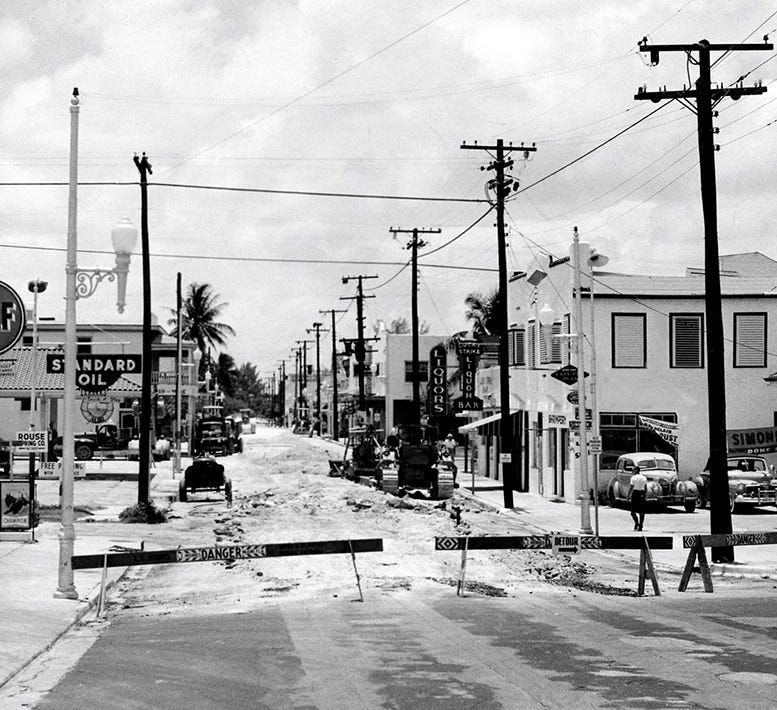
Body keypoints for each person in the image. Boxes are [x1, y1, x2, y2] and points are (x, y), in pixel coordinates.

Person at [628, 465, 648, 531]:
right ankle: (641, 525)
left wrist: (628, 495)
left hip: (635, 493)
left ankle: (637, 523)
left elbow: (631, 487)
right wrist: (645, 496)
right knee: (641, 511)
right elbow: (645, 488)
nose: (633, 471)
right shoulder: (644, 478)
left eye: (634, 470)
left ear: (636, 470)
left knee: (633, 512)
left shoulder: (633, 478)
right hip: (641, 493)